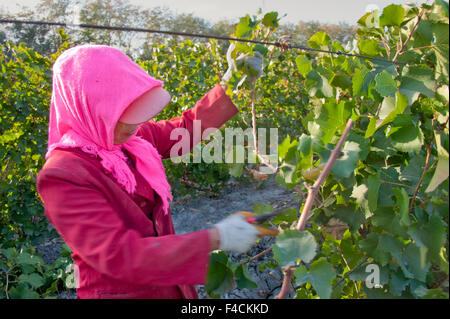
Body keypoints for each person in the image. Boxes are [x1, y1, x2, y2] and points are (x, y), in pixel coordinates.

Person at [36, 44, 264, 299]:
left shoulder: (132, 137)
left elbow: (186, 129)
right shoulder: (62, 175)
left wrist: (233, 83)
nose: (136, 122)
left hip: (171, 288)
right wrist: (216, 237)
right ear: (88, 108)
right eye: (122, 111)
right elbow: (119, 256)